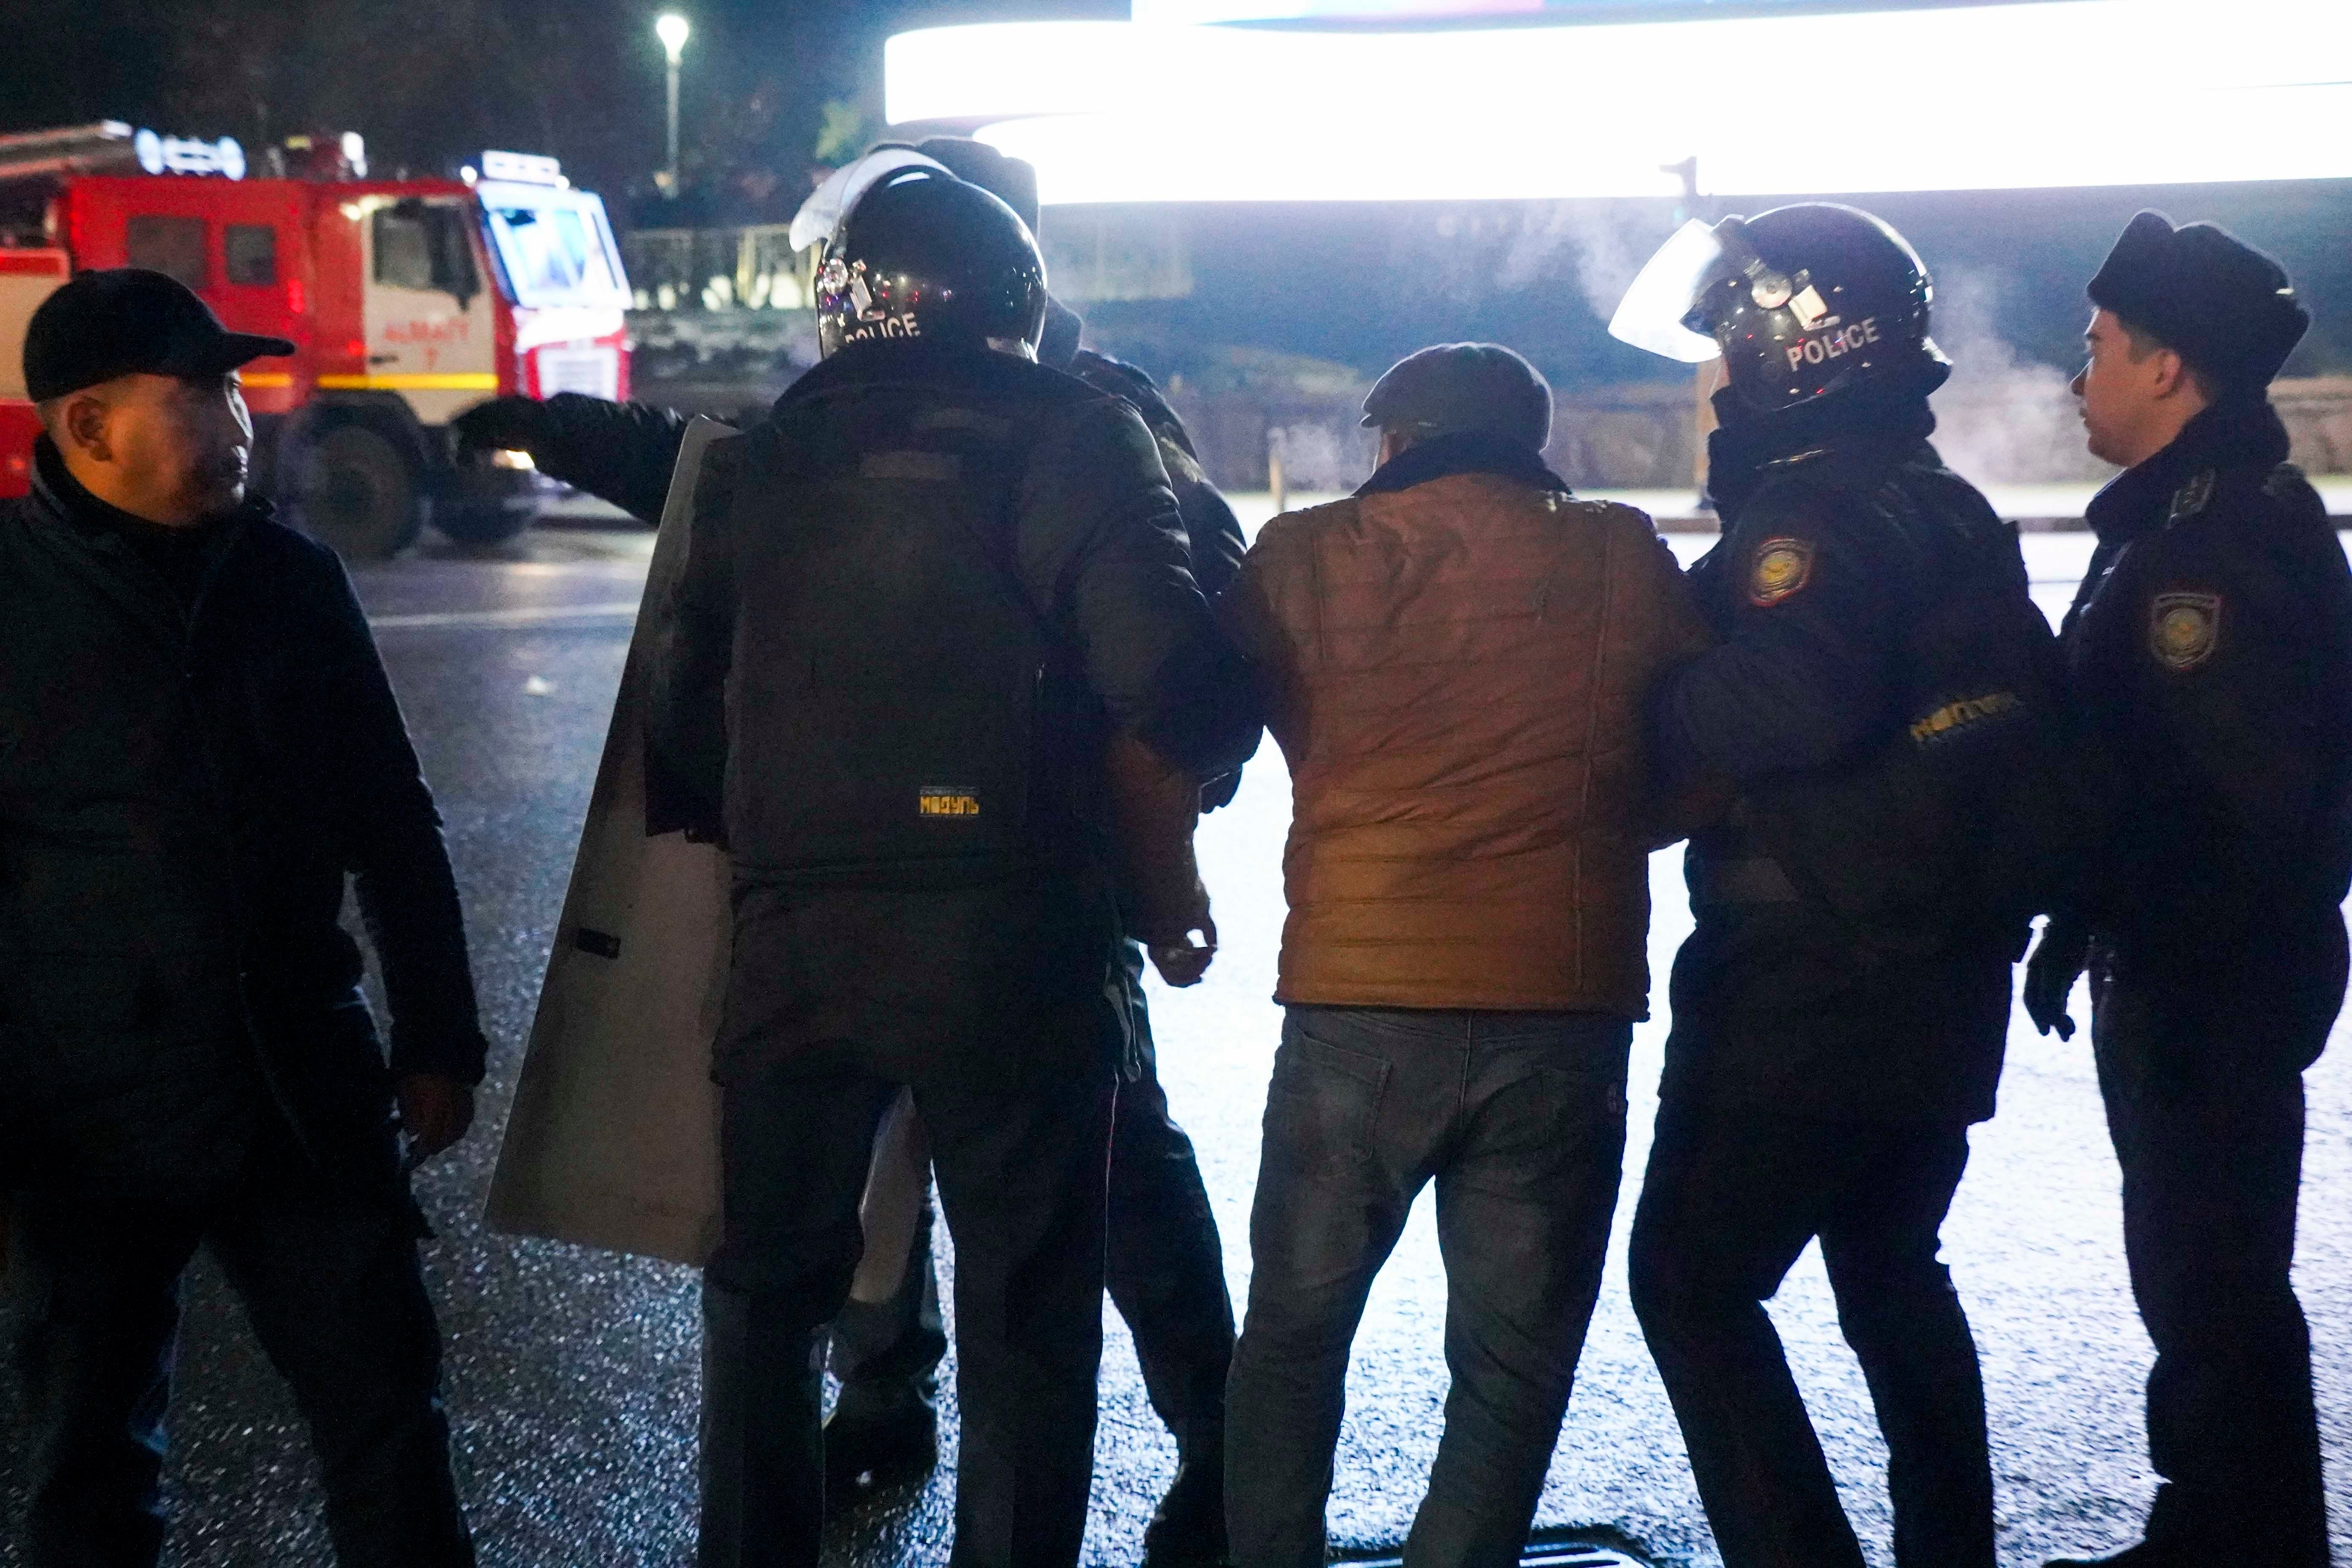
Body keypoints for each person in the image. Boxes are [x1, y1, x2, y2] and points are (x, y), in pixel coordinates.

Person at [455, 137, 1248, 1565]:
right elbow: (1177, 675)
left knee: (765, 1288)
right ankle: (1164, 1459)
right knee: (1034, 1288)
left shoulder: (781, 444)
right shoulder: (1081, 425)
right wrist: (1173, 825)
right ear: (1013, 283)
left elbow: (690, 700)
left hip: (797, 934)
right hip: (1017, 926)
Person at [1607, 205, 2070, 1568]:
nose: (1709, 382)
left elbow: (1784, 701)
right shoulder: (1937, 498)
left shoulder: (1801, 510)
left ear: (1785, 355)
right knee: (1887, 1269)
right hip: (1941, 961)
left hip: (1810, 970)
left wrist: (1645, 709)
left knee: (1690, 1285)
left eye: (1722, 351)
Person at [0, 269, 486, 1566]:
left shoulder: (291, 580)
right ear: (88, 426)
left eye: (234, 386)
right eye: (197, 393)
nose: (236, 421)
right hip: (84, 1107)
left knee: (388, 1424)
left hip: (297, 1083)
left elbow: (392, 816)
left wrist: (440, 1033)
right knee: (87, 1458)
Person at [1216, 343, 1710, 1568]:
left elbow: (1213, 722)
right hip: (1559, 1001)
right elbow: (1703, 754)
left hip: (1354, 999)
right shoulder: (1617, 552)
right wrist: (1588, 826)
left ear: (1392, 441)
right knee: (1511, 1358)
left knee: (1292, 1331)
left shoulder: (1298, 556)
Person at [2025, 213, 2352, 1568]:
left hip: (2210, 964)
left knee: (2209, 1264)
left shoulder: (2209, 551)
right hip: (2182, 952)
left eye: (2096, 348)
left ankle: (2245, 1538)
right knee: (2197, 1262)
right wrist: (2072, 925)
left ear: (2167, 369)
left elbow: (2234, 796)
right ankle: (2222, 1521)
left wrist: (2142, 934)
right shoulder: (2181, 518)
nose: (2075, 372)